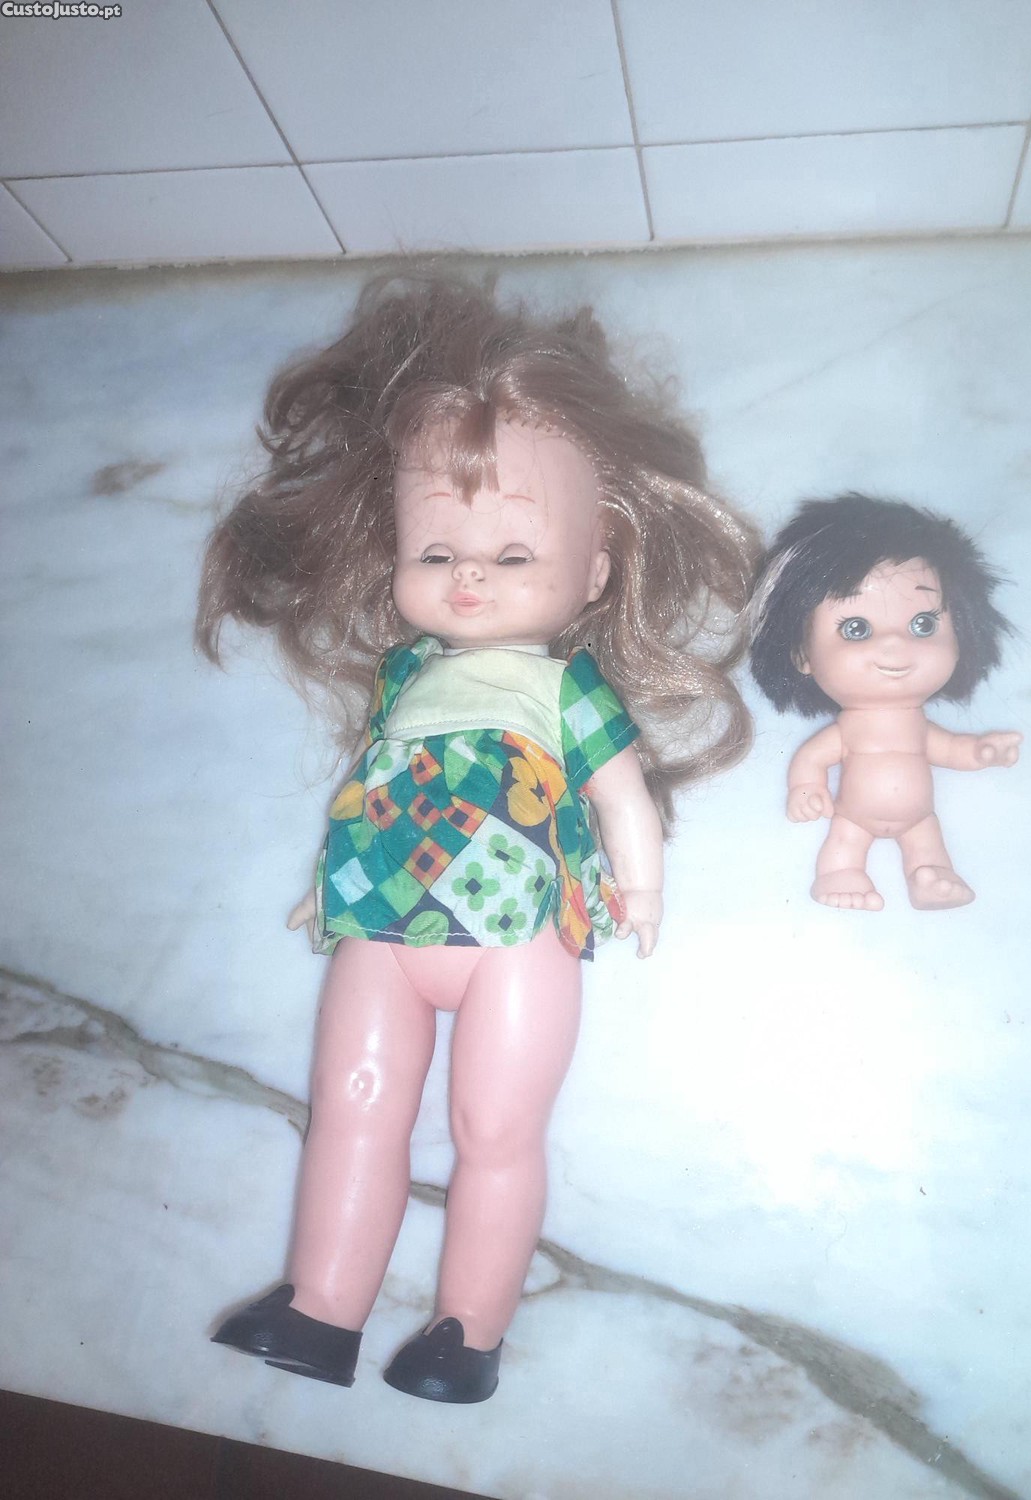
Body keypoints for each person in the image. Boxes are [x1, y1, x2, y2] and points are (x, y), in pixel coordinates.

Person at [197, 274, 761, 1400]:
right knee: (352, 1106)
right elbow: (376, 783)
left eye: (512, 556)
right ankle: (321, 1310)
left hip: (517, 937)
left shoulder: (565, 688)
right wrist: (328, 881)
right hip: (382, 921)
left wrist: (639, 889)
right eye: (436, 551)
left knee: (492, 1128)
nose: (468, 577)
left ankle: (468, 1335)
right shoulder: (405, 676)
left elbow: (622, 798)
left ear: (593, 569)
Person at [750, 494, 1020, 912]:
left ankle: (930, 879)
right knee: (844, 842)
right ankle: (839, 874)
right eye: (856, 628)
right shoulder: (848, 731)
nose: (894, 644)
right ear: (803, 655)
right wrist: (806, 787)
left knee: (928, 847)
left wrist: (981, 752)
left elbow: (950, 749)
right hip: (853, 815)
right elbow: (812, 757)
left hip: (919, 817)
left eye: (923, 624)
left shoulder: (919, 727)